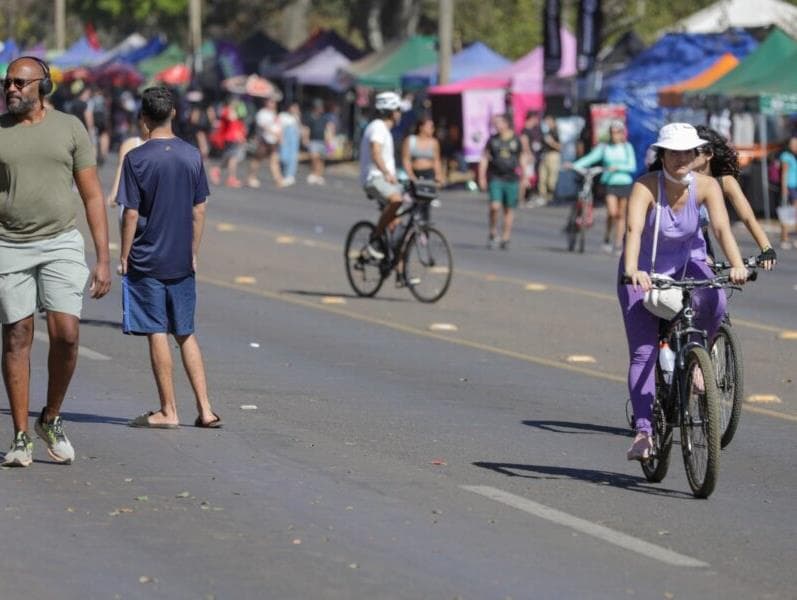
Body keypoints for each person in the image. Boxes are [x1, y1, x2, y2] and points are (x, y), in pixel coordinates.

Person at [0, 56, 112, 467]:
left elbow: (93, 195)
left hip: (61, 241)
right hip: (8, 244)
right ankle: (20, 436)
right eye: (6, 83)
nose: (11, 89)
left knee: (65, 332)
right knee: (17, 334)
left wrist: (103, 257)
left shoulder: (69, 128)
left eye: (19, 83)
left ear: (42, 87)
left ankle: (50, 415)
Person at [620, 123, 747, 461]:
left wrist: (737, 264)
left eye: (686, 152)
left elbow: (720, 228)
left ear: (696, 155)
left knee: (716, 296)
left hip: (686, 263)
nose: (680, 158)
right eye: (672, 152)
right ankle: (644, 430)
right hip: (643, 271)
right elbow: (633, 230)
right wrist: (633, 270)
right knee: (644, 352)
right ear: (662, 155)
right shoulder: (645, 187)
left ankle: (695, 361)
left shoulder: (706, 186)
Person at [117, 86, 220, 430]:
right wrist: (193, 251)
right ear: (173, 113)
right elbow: (199, 208)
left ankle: (168, 410)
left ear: (143, 119)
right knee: (186, 332)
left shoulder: (136, 158)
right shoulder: (192, 155)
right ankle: (206, 409)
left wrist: (123, 255)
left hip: (147, 258)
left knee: (156, 330)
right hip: (181, 259)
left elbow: (130, 213)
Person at [691, 125, 776, 268]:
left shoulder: (725, 182)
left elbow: (748, 218)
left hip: (702, 249)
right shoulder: (678, 181)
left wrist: (766, 248)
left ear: (708, 154)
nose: (685, 156)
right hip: (670, 249)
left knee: (710, 282)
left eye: (693, 151)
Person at [572, 120, 636, 254]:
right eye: (612, 133)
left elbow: (632, 166)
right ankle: (607, 237)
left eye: (617, 133)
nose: (615, 135)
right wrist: (574, 165)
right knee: (612, 212)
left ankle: (618, 243)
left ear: (622, 134)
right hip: (610, 183)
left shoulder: (627, 147)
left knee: (621, 215)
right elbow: (590, 158)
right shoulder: (605, 147)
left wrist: (617, 168)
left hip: (624, 182)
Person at [358, 91, 403, 261]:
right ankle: (375, 240)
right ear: (391, 111)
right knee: (396, 200)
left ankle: (399, 271)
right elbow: (375, 152)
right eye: (398, 109)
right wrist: (386, 173)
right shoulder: (377, 127)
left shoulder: (384, 129)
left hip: (385, 179)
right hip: (374, 178)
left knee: (398, 225)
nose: (400, 114)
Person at [478, 114, 522, 250]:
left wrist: (525, 177)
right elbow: (484, 158)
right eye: (495, 124)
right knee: (495, 206)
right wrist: (481, 177)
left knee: (509, 209)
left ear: (506, 123)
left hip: (512, 178)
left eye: (499, 123)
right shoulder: (492, 140)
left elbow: (523, 157)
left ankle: (505, 237)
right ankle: (492, 231)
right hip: (496, 177)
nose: (496, 126)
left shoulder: (516, 140)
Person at [209, 96, 247, 188]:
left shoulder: (235, 111)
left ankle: (216, 170)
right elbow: (230, 119)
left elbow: (237, 124)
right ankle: (231, 178)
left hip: (234, 137)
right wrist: (232, 110)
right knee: (232, 158)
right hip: (229, 138)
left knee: (229, 158)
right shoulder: (226, 110)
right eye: (235, 102)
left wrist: (241, 136)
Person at [247, 96, 283, 189]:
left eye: (274, 102)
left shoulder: (274, 114)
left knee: (274, 160)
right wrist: (274, 133)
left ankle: (278, 179)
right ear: (266, 102)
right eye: (271, 102)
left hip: (273, 141)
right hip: (264, 140)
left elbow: (278, 126)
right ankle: (251, 177)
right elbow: (263, 126)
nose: (273, 104)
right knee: (257, 160)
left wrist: (280, 136)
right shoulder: (262, 113)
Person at [401, 115, 444, 185]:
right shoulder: (410, 140)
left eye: (433, 127)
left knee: (428, 194)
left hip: (429, 173)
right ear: (421, 127)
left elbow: (436, 160)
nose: (432, 129)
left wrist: (438, 174)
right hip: (415, 172)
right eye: (430, 127)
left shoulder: (434, 142)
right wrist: (410, 175)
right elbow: (406, 159)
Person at [305, 98, 335, 185]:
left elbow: (329, 129)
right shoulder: (310, 117)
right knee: (314, 157)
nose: (321, 109)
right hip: (314, 140)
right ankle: (314, 173)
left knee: (321, 160)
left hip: (323, 141)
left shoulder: (325, 117)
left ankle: (319, 175)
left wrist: (330, 143)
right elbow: (307, 128)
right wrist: (306, 138)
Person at [777, 135, 797, 249]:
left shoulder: (794, 156)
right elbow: (784, 173)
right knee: (787, 213)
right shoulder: (786, 156)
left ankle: (791, 238)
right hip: (789, 187)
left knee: (794, 214)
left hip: (795, 186)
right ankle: (784, 238)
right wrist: (784, 190)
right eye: (794, 144)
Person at [537, 113, 561, 204]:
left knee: (552, 180)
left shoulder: (557, 132)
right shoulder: (546, 132)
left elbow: (560, 147)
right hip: (544, 155)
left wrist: (551, 142)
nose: (546, 123)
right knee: (542, 177)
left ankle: (551, 197)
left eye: (548, 121)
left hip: (553, 155)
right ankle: (543, 197)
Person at [520, 111, 543, 205]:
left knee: (530, 178)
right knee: (526, 178)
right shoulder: (525, 130)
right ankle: (521, 198)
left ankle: (526, 197)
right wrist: (529, 154)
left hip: (532, 156)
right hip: (527, 157)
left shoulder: (535, 129)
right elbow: (524, 143)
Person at [278, 101, 301, 187]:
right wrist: (281, 138)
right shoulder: (283, 116)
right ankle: (283, 173)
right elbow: (280, 127)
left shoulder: (296, 117)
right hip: (285, 138)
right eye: (294, 107)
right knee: (284, 157)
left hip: (294, 139)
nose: (295, 109)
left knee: (293, 158)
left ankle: (290, 175)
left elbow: (298, 128)